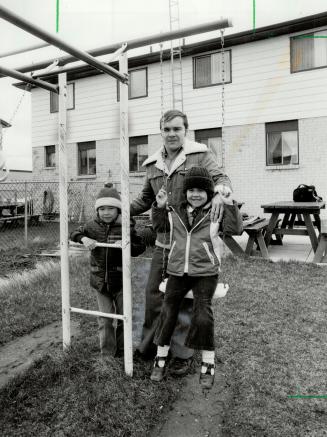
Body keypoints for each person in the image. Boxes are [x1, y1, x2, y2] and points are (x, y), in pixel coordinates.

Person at [130, 109, 232, 375]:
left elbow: (221, 179)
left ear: (185, 131)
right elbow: (144, 198)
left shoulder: (200, 155)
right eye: (167, 129)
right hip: (164, 242)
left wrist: (220, 194)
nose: (172, 134)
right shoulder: (152, 164)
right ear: (161, 132)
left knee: (185, 300)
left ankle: (182, 354)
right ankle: (150, 346)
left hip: (191, 245)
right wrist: (120, 209)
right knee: (154, 297)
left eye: (177, 129)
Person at [150, 166, 243, 388]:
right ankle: (160, 358)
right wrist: (159, 207)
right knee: (168, 311)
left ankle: (208, 363)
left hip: (206, 272)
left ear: (209, 192)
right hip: (176, 270)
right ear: (185, 192)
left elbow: (236, 229)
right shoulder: (175, 211)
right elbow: (159, 227)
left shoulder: (216, 211)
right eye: (191, 190)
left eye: (201, 190)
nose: (195, 194)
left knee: (203, 314)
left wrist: (229, 203)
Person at [70, 183, 145, 357]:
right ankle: (107, 354)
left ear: (118, 210)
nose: (106, 212)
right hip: (99, 281)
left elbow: (139, 246)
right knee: (105, 318)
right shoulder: (91, 226)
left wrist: (126, 246)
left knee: (124, 316)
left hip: (121, 280)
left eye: (111, 208)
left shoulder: (126, 226)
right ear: (97, 211)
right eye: (102, 209)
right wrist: (83, 239)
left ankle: (123, 350)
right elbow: (74, 233)